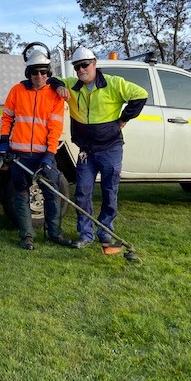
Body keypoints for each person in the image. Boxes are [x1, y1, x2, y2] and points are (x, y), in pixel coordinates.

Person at [55, 47, 148, 249]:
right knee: (82, 192)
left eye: (84, 65)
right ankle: (85, 234)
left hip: (110, 149)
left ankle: (105, 231)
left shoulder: (114, 84)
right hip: (86, 151)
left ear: (94, 63)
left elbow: (141, 95)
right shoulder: (72, 85)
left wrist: (123, 118)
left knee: (109, 192)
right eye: (77, 66)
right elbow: (53, 81)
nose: (81, 69)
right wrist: (58, 85)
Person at [0, 45, 72, 250]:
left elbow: (55, 127)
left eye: (43, 71)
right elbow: (7, 117)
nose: (39, 75)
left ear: (48, 73)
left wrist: (50, 154)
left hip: (43, 155)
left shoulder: (55, 95)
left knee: (52, 193)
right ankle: (27, 235)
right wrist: (4, 140)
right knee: (21, 194)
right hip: (19, 155)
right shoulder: (17, 91)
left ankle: (55, 234)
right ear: (27, 73)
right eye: (34, 71)